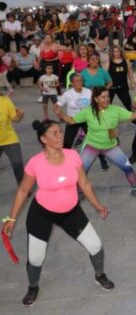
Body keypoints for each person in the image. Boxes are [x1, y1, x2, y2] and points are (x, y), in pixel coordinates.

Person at [2, 120, 113, 307]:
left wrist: (98, 205)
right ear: (44, 139)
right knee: (36, 258)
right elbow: (22, 190)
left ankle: (99, 275)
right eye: (54, 133)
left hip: (71, 212)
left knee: (96, 246)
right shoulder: (35, 163)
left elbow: (84, 183)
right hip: (42, 214)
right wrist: (11, 218)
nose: (60, 135)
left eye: (60, 132)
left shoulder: (72, 156)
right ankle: (33, 286)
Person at [55, 87, 136, 198]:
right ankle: (79, 191)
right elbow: (71, 120)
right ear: (96, 99)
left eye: (107, 96)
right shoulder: (88, 111)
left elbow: (132, 116)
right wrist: (61, 113)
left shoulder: (115, 110)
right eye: (103, 97)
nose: (106, 99)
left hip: (110, 147)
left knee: (128, 168)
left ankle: (135, 188)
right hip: (91, 146)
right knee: (81, 171)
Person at [0, 91, 24, 184]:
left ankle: (23, 189)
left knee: (17, 164)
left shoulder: (5, 100)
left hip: (8, 139)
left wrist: (20, 114)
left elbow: (15, 119)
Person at [107, 46, 134, 110]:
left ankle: (134, 119)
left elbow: (130, 72)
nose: (117, 53)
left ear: (121, 52)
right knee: (106, 106)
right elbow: (105, 75)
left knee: (129, 105)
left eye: (118, 51)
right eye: (115, 52)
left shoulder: (126, 61)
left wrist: (132, 82)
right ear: (112, 53)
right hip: (111, 87)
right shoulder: (109, 62)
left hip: (123, 87)